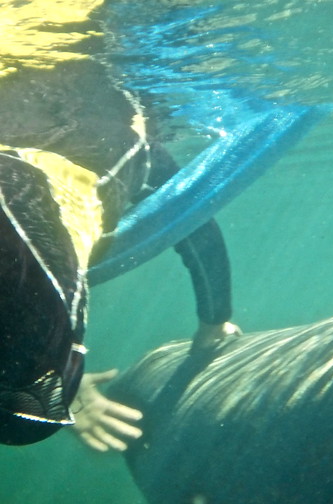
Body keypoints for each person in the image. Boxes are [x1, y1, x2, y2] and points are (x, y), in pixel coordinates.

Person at [0, 1, 239, 447]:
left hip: (20, 200)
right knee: (26, 420)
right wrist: (215, 321)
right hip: (22, 199)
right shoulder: (137, 148)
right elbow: (196, 226)